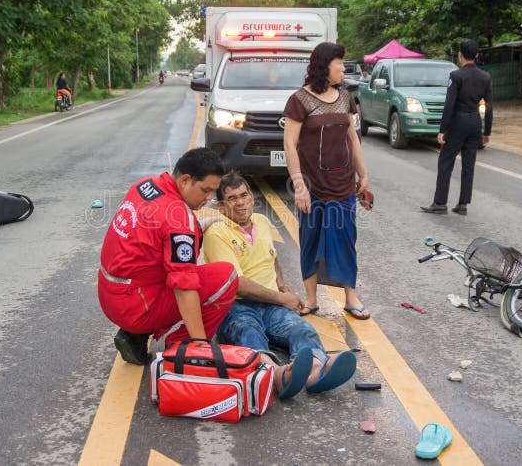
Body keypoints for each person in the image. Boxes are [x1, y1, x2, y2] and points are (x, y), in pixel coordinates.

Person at [203, 172, 357, 398]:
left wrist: (283, 285)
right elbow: (237, 284)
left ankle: (315, 371)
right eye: (232, 198)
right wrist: (281, 298)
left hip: (271, 303)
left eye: (244, 195)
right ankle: (276, 375)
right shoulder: (217, 232)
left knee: (302, 329)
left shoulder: (263, 222)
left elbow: (271, 257)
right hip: (235, 307)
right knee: (249, 333)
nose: (241, 202)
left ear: (252, 198)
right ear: (222, 207)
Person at [97, 148, 238, 365]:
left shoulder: (146, 185)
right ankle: (174, 347)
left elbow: (154, 231)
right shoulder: (179, 219)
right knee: (225, 276)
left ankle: (136, 335)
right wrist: (201, 344)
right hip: (135, 306)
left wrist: (199, 227)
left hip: (110, 295)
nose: (209, 198)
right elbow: (184, 287)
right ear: (185, 180)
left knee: (164, 265)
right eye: (205, 190)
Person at [283, 42, 373, 320]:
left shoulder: (346, 97)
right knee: (311, 239)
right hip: (312, 187)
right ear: (325, 66)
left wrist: (364, 175)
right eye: (339, 64)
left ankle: (350, 296)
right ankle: (311, 298)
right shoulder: (299, 100)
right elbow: (289, 144)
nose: (343, 69)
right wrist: (299, 185)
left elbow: (352, 138)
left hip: (343, 184)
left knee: (346, 240)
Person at [421, 39, 493, 215]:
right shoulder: (485, 77)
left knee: (446, 161)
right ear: (477, 55)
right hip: (475, 122)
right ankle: (463, 204)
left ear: (460, 55)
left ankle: (439, 203)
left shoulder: (456, 76)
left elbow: (449, 104)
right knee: (469, 164)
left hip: (458, 122)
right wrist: (487, 131)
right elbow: (489, 106)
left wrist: (442, 130)